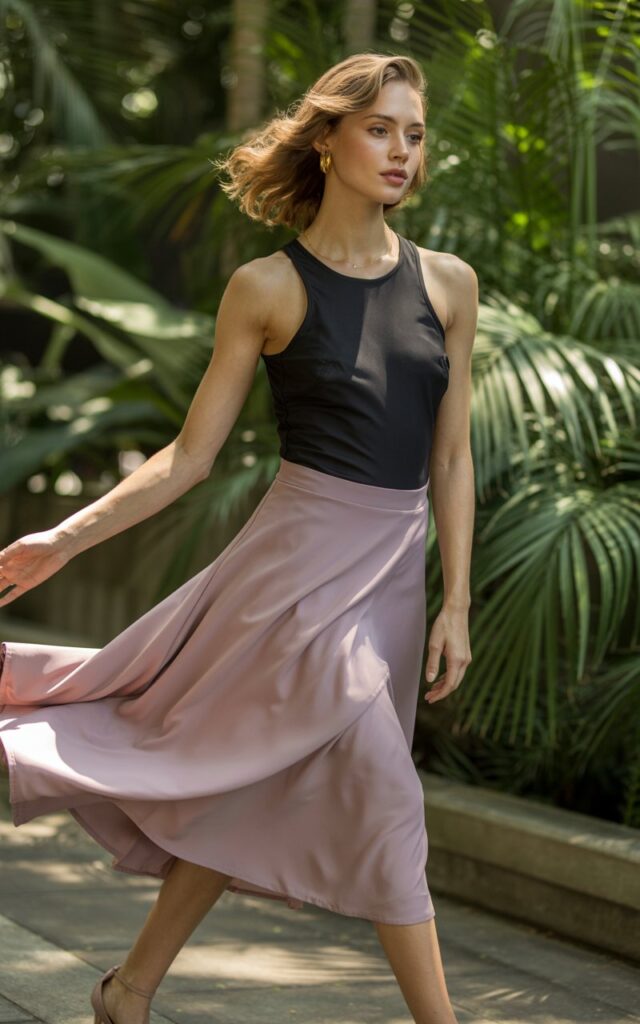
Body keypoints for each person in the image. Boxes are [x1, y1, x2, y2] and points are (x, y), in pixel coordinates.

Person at [0, 51, 477, 1024]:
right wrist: (64, 537)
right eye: (380, 127)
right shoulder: (266, 287)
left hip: (390, 576)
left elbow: (453, 457)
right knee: (384, 788)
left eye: (414, 133)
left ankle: (127, 992)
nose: (400, 150)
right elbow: (188, 456)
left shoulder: (450, 285)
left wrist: (457, 601)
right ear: (328, 139)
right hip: (295, 571)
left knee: (250, 789)